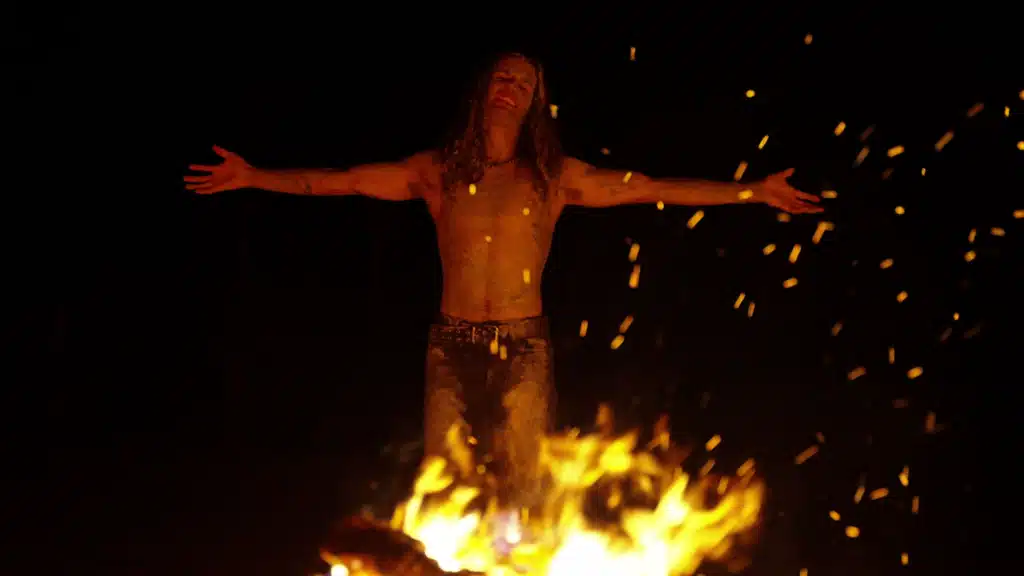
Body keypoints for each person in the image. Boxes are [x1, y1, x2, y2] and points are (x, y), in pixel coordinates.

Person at [184, 52, 822, 511]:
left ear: (535, 102)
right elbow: (343, 180)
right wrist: (253, 176)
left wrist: (753, 192)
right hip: (450, 344)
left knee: (522, 483)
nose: (511, 87)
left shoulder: (553, 177)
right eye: (502, 76)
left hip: (522, 346)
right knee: (447, 482)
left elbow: (653, 187)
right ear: (484, 89)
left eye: (525, 81)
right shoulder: (436, 172)